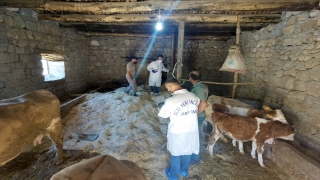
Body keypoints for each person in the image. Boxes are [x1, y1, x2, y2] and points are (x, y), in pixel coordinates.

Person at [158, 78, 200, 180]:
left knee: (175, 153)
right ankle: (184, 170)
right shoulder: (194, 96)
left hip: (177, 131)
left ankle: (173, 175)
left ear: (171, 86)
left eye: (168, 88)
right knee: (188, 150)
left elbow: (164, 115)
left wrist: (160, 106)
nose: (168, 90)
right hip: (192, 129)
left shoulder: (170, 100)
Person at [189, 70, 209, 165]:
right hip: (199, 115)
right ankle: (194, 155)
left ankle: (195, 158)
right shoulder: (201, 85)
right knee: (195, 135)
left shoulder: (199, 88)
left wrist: (195, 113)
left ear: (190, 78)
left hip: (198, 116)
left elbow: (203, 103)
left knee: (196, 137)